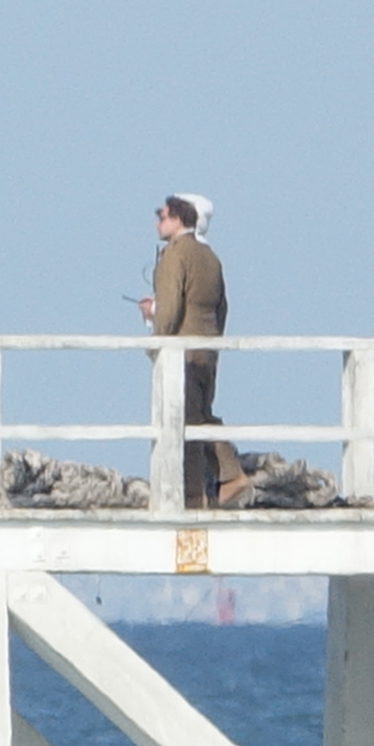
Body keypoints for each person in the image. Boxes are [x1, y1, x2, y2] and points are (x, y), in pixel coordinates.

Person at [137, 193, 250, 509]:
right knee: (199, 417)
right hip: (207, 349)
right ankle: (229, 480)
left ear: (177, 218)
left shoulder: (175, 255)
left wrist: (156, 337)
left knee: (182, 422)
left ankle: (196, 496)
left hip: (181, 354)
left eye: (162, 215)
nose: (158, 221)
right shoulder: (210, 257)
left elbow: (171, 308)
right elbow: (221, 307)